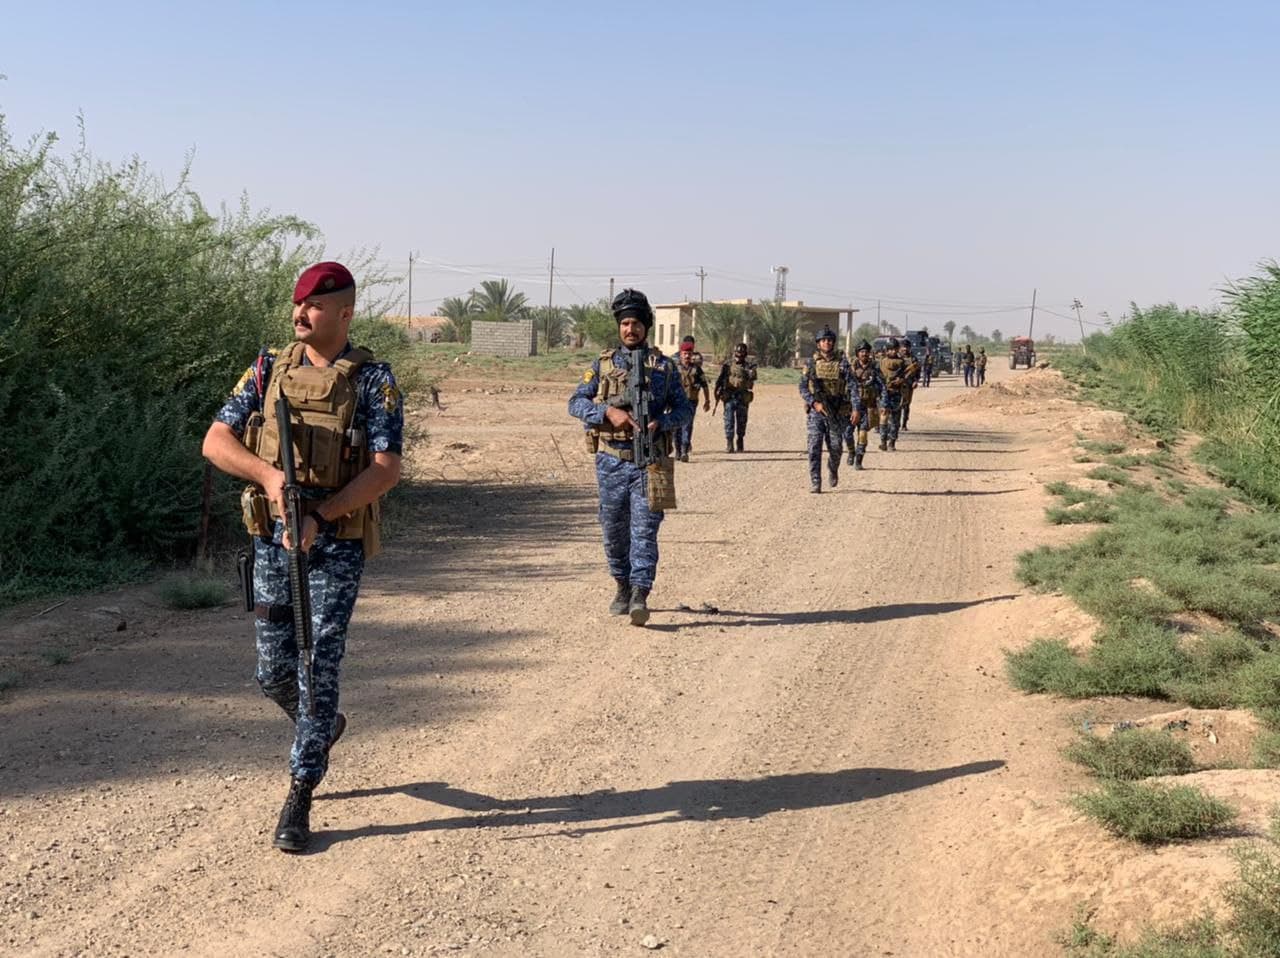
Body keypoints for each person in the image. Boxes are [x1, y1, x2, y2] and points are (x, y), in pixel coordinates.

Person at [201, 261, 404, 853]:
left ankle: (300, 791)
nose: (300, 313)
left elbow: (385, 469)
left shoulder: (374, 381)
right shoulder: (268, 368)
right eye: (298, 304)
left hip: (334, 544)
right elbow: (216, 440)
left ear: (344, 313)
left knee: (317, 667)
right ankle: (322, 726)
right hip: (272, 538)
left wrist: (322, 516)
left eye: (313, 306)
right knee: (272, 673)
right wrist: (268, 477)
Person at [568, 288, 692, 625]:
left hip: (650, 459)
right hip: (611, 460)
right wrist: (607, 413)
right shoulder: (602, 364)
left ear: (646, 326)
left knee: (645, 530)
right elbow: (575, 403)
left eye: (636, 323)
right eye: (624, 323)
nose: (630, 329)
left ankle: (640, 592)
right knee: (613, 530)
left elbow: (684, 409)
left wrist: (662, 422)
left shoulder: (664, 367)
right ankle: (621, 585)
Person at [799, 326, 852, 493]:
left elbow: (853, 386)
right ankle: (815, 481)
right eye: (823, 340)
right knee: (814, 447)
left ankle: (833, 468)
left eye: (829, 340)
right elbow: (802, 387)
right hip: (817, 412)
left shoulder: (843, 363)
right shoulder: (811, 364)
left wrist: (856, 408)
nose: (827, 343)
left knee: (836, 448)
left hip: (836, 411)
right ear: (818, 344)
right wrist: (814, 403)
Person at [715, 342, 757, 452]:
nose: (739, 356)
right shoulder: (727, 365)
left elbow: (753, 377)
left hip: (742, 396)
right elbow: (720, 379)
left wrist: (749, 372)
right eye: (737, 353)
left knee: (742, 421)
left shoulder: (749, 366)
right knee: (729, 420)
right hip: (729, 396)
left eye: (741, 353)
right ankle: (729, 442)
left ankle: (740, 440)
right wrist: (717, 391)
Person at [848, 339, 883, 470]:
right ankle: (851, 452)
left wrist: (884, 403)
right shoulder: (850, 368)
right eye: (862, 351)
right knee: (847, 433)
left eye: (866, 352)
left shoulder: (874, 368)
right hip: (851, 407)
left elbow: (882, 385)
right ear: (857, 353)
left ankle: (858, 460)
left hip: (868, 406)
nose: (864, 354)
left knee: (862, 434)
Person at [674, 338, 711, 461]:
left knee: (687, 425)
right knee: (676, 427)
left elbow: (705, 385)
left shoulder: (697, 370)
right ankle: (678, 450)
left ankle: (684, 450)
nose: (687, 356)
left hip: (691, 401)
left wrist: (707, 401)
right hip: (675, 402)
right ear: (681, 354)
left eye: (689, 354)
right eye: (685, 353)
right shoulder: (674, 369)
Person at [877, 338, 907, 450]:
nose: (893, 351)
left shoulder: (902, 362)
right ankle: (883, 441)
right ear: (887, 350)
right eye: (890, 349)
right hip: (885, 392)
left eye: (895, 349)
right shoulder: (881, 362)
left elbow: (907, 376)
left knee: (895, 418)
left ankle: (892, 442)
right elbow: (876, 375)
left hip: (897, 392)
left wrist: (901, 380)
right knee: (883, 415)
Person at [899, 342, 922, 431]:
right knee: (896, 404)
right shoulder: (897, 358)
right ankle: (895, 423)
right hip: (897, 384)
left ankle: (904, 424)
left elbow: (918, 371)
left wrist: (916, 381)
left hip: (908, 384)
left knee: (906, 404)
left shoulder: (913, 359)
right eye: (903, 347)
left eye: (907, 347)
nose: (905, 349)